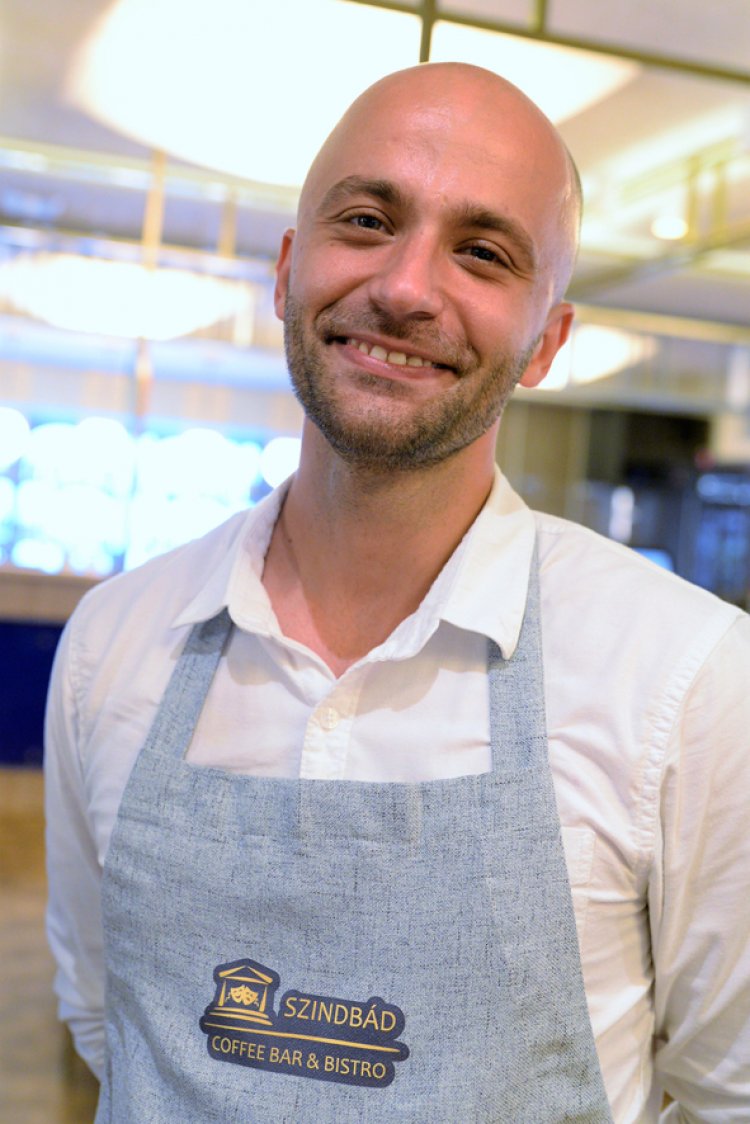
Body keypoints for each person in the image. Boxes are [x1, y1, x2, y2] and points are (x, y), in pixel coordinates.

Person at [45, 62, 750, 1122]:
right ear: (288, 271)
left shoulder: (687, 680)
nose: (408, 288)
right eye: (369, 221)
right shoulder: (115, 640)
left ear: (546, 343)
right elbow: (111, 1025)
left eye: (483, 252)